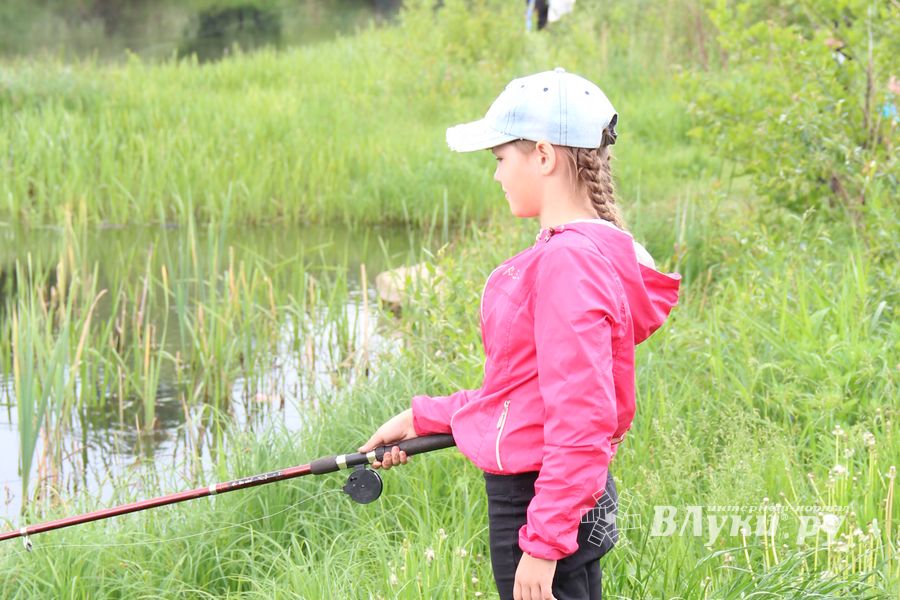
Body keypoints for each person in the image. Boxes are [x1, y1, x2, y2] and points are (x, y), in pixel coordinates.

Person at [358, 68, 681, 600]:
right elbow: (526, 393)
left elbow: (582, 416)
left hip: (541, 506)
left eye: (500, 158)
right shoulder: (579, 252)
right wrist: (421, 418)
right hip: (562, 501)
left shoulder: (568, 262)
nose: (496, 175)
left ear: (544, 156)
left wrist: (544, 543)